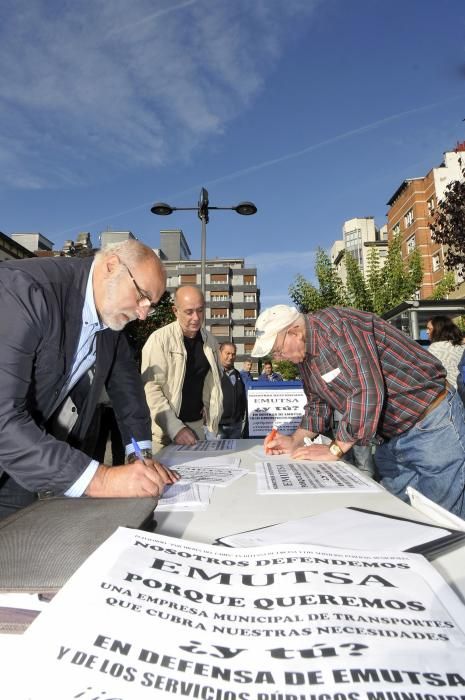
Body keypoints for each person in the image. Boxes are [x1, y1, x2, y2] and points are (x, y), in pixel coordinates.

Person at [0, 240, 178, 520]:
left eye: (151, 305)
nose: (143, 314)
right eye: (142, 296)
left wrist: (140, 456)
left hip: (21, 466)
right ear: (111, 265)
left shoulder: (110, 319)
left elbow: (127, 390)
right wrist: (104, 479)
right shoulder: (23, 292)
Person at [251, 304, 465, 518]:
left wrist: (335, 449)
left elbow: (366, 389)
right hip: (390, 437)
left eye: (278, 350)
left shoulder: (338, 326)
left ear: (295, 332)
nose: (277, 358)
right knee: (398, 515)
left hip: (432, 425)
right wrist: (295, 440)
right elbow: (317, 404)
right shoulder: (304, 355)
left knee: (443, 519)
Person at [141, 285, 223, 451]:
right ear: (175, 311)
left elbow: (214, 380)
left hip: (197, 429)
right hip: (162, 435)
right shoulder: (158, 340)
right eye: (189, 311)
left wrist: (209, 407)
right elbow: (151, 390)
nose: (196, 317)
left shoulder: (211, 342)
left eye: (200, 310)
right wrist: (175, 428)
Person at [426, 315, 465, 388]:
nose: (427, 332)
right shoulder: (461, 345)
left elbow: (428, 372)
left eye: (429, 329)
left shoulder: (435, 347)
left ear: (438, 330)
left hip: (450, 391)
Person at [218, 342, 247, 439]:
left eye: (233, 354)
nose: (231, 357)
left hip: (236, 425)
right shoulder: (213, 373)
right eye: (227, 353)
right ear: (220, 353)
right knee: (219, 454)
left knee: (236, 453)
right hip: (218, 427)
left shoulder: (238, 374)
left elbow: (242, 396)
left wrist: (241, 415)